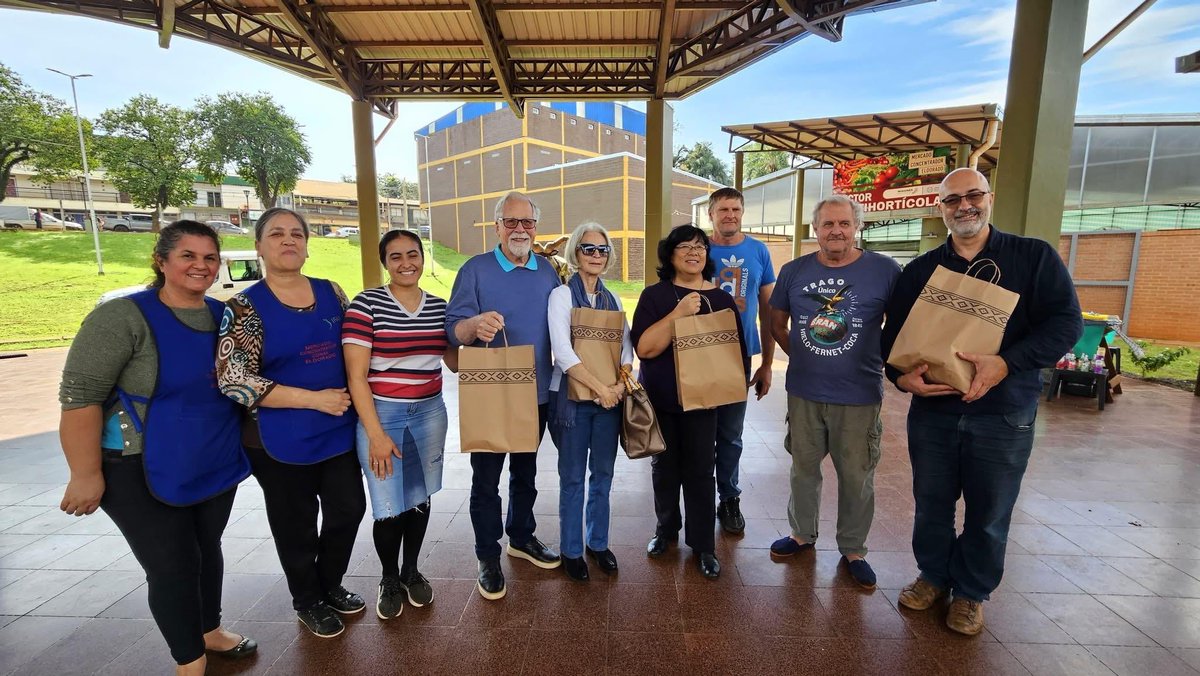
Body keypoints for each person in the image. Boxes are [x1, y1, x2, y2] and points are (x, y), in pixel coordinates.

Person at [881, 168, 1082, 636]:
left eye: (973, 196)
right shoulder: (920, 271)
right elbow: (891, 339)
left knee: (990, 509)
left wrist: (1006, 363)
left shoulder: (1033, 258)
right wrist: (901, 378)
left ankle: (971, 593)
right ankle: (933, 576)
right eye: (953, 199)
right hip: (934, 412)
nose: (964, 206)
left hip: (1003, 411)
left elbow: (1065, 325)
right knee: (931, 502)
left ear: (990, 198)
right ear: (940, 207)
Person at [58, 221, 255, 675]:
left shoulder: (224, 317)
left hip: (211, 458)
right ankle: (189, 659)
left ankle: (209, 630)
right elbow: (80, 397)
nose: (201, 266)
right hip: (137, 466)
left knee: (206, 548)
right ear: (161, 260)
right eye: (188, 255)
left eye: (210, 257)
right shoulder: (122, 317)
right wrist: (85, 474)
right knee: (172, 563)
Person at [217, 207, 367, 639]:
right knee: (295, 524)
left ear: (306, 243)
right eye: (277, 234)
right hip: (277, 440)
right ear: (260, 245)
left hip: (337, 429)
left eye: (297, 234)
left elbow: (357, 351)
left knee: (348, 510)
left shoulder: (333, 293)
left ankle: (329, 583)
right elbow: (234, 379)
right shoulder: (244, 307)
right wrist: (313, 400)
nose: (289, 240)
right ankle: (307, 600)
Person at [767, 196, 900, 589]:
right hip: (805, 392)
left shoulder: (884, 270)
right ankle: (801, 534)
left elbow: (903, 326)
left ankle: (854, 548)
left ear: (856, 227)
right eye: (827, 224)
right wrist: (807, 357)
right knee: (803, 468)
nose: (836, 231)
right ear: (815, 229)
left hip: (859, 393)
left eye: (843, 223)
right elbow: (777, 324)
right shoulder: (794, 271)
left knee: (857, 475)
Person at [446, 190, 562, 600]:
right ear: (497, 226)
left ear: (536, 227)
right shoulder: (474, 270)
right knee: (486, 481)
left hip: (537, 392)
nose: (519, 229)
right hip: (492, 391)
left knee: (526, 475)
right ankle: (487, 556)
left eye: (527, 222)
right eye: (511, 222)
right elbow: (453, 331)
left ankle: (521, 536)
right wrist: (473, 325)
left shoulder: (548, 270)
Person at [342, 229, 456, 619]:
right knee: (389, 505)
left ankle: (412, 570)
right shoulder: (366, 305)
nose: (406, 263)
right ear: (384, 262)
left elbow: (454, 361)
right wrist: (375, 434)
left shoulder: (440, 307)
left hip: (430, 412)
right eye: (396, 257)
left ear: (423, 258)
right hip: (383, 415)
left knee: (420, 497)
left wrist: (476, 332)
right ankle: (389, 577)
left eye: (413, 254)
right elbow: (356, 377)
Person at [631, 224, 749, 580]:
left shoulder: (722, 300)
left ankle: (703, 546)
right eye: (684, 246)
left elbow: (737, 356)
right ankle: (666, 531)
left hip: (704, 402)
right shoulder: (655, 296)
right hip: (662, 400)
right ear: (670, 255)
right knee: (664, 470)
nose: (693, 252)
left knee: (701, 472)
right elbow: (644, 348)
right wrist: (678, 313)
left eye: (699, 246)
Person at [547, 221, 634, 582]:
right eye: (588, 249)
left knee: (603, 475)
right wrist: (602, 387)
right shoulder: (561, 296)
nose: (596, 255)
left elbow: (625, 347)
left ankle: (597, 542)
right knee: (572, 478)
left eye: (602, 250)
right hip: (572, 401)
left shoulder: (612, 298)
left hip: (608, 403)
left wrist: (622, 379)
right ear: (575, 254)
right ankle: (571, 550)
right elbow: (563, 354)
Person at [706, 188, 776, 535]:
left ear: (742, 212)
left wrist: (767, 364)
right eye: (723, 209)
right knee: (700, 432)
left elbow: (769, 311)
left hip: (738, 356)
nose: (730, 215)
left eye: (735, 209)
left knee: (731, 434)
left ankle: (729, 498)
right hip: (700, 354)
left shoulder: (758, 251)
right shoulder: (698, 249)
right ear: (711, 214)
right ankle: (699, 497)